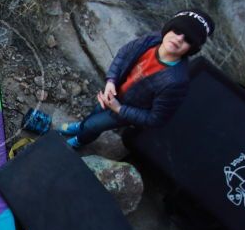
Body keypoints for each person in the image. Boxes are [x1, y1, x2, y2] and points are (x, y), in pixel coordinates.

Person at [60, 9, 215, 148]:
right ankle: (82, 126)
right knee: (95, 112)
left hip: (124, 110)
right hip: (113, 93)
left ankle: (79, 141)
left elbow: (156, 119)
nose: (179, 38)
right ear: (168, 28)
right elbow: (123, 54)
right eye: (177, 30)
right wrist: (111, 81)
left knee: (93, 126)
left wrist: (119, 109)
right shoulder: (152, 39)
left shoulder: (176, 82)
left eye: (188, 39)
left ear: (192, 48)